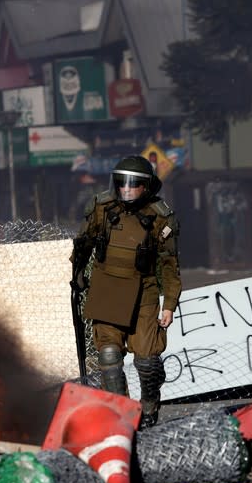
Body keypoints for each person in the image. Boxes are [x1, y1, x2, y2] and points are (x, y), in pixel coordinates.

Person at [71, 155, 182, 429]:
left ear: (146, 186)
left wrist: (169, 304)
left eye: (134, 185)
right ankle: (123, 415)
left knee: (147, 362)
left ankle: (149, 407)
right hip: (107, 287)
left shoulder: (160, 216)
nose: (127, 190)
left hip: (144, 293)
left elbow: (169, 265)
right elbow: (83, 244)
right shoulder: (102, 207)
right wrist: (78, 274)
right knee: (108, 356)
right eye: (122, 184)